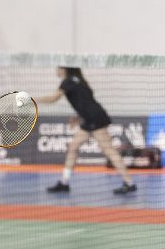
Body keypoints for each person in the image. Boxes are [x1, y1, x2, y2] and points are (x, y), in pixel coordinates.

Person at [36, 66, 137, 195]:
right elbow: (85, 102)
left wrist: (34, 99)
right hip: (91, 118)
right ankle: (64, 182)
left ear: (64, 69)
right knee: (73, 147)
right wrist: (77, 116)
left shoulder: (67, 81)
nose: (56, 70)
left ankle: (129, 183)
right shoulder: (79, 80)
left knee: (109, 151)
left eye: (58, 67)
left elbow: (54, 98)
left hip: (95, 119)